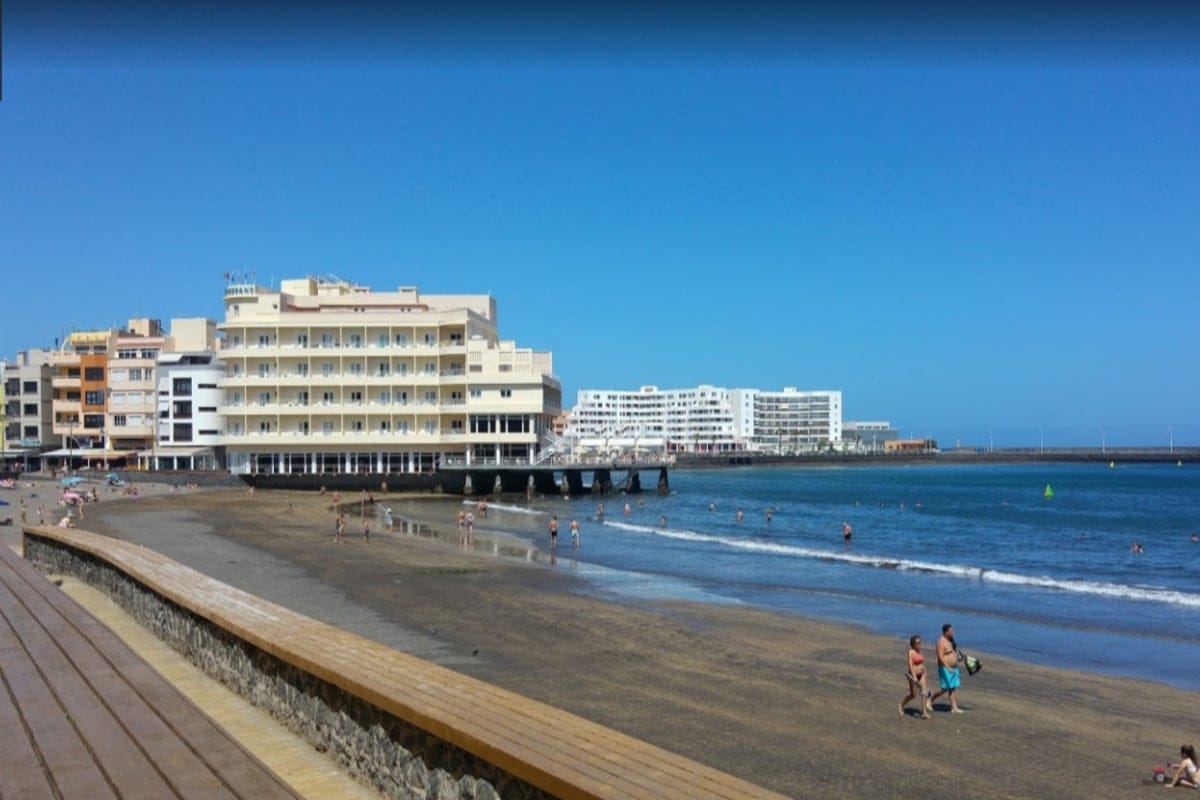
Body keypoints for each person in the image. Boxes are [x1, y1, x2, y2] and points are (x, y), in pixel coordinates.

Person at [930, 623, 964, 713]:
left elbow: (954, 652)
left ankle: (954, 708)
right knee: (945, 688)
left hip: (954, 667)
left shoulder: (951, 640)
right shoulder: (941, 642)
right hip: (945, 668)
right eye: (951, 631)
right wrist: (948, 667)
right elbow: (940, 656)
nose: (953, 632)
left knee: (952, 688)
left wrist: (959, 657)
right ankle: (931, 699)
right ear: (945, 632)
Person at [898, 635, 932, 719]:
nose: (919, 644)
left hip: (921, 675)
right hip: (913, 676)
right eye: (917, 643)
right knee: (913, 695)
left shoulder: (919, 651)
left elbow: (920, 663)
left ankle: (924, 713)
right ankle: (901, 705)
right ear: (913, 644)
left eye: (920, 643)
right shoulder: (911, 652)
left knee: (924, 693)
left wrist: (924, 671)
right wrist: (914, 676)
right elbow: (910, 665)